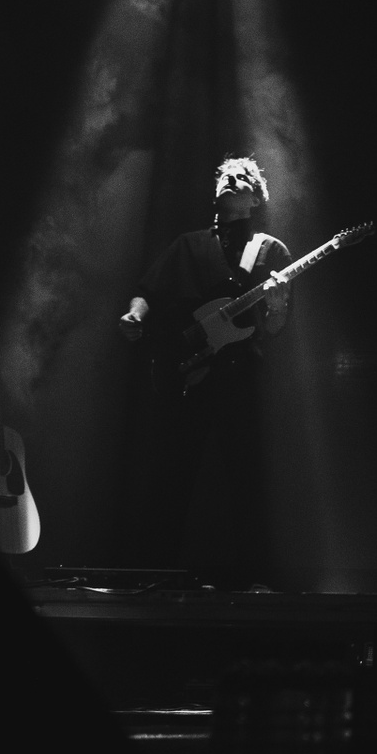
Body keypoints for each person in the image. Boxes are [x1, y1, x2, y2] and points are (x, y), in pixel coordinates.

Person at [118, 156, 292, 588]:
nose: (231, 179)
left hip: (241, 376)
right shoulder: (188, 245)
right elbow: (148, 290)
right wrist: (134, 316)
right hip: (186, 372)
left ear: (256, 199)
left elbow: (274, 330)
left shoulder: (271, 251)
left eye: (242, 177)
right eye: (225, 175)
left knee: (247, 480)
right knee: (170, 477)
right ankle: (154, 577)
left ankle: (255, 581)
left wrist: (278, 305)